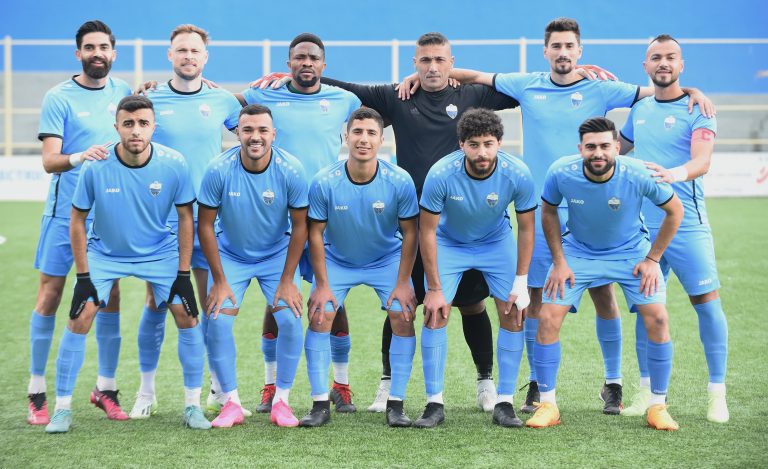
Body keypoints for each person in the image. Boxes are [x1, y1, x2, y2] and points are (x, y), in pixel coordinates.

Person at [409, 17, 713, 414]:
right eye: (557, 46)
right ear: (546, 51)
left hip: (590, 203)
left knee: (603, 292)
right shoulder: (526, 84)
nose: (563, 52)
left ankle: (613, 383)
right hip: (543, 208)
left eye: (570, 46)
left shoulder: (601, 87)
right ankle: (538, 384)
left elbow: (657, 89)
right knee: (535, 297)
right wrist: (421, 77)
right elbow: (475, 75)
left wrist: (692, 90)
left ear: (579, 51)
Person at [273, 32, 519, 412]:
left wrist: (464, 76)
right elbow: (351, 88)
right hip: (412, 222)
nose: (433, 67)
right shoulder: (399, 96)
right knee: (401, 303)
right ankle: (388, 385)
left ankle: (485, 381)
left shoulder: (470, 94)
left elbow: (515, 91)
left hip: (461, 226)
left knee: (471, 305)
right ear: (414, 63)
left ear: (452, 62)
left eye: (440, 60)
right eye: (425, 61)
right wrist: (289, 77)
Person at [45, 95, 207, 433]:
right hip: (105, 254)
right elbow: (77, 220)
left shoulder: (174, 163)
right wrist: (83, 276)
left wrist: (182, 273)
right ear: (116, 127)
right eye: (128, 123)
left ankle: (193, 405)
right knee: (80, 315)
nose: (136, 130)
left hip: (159, 252)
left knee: (187, 315)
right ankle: (61, 409)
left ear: (153, 127)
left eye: (143, 123)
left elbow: (185, 217)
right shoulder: (96, 165)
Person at [527, 116, 683, 431]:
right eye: (591, 147)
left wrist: (652, 259)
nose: (598, 153)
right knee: (547, 317)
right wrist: (559, 261)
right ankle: (547, 404)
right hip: (579, 252)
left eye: (604, 146)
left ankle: (658, 406)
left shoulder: (638, 173)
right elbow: (548, 211)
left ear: (616, 147)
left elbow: (674, 211)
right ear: (580, 149)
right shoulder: (561, 172)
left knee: (658, 318)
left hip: (631, 253)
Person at [239, 33, 362, 413]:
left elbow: (381, 111)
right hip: (279, 214)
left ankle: (341, 385)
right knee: (278, 296)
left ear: (323, 65)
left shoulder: (344, 100)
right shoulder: (264, 96)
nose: (306, 63)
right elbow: (226, 106)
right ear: (288, 63)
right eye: (299, 58)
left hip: (327, 211)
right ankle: (271, 385)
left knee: (332, 297)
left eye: (313, 58)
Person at [130, 24, 242, 420]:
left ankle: (218, 386)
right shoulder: (150, 99)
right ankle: (146, 391)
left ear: (205, 57)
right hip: (162, 222)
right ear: (170, 55)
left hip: (209, 220)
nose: (188, 56)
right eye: (181, 50)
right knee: (157, 302)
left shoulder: (222, 99)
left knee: (212, 303)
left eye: (195, 51)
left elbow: (253, 131)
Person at [619, 34, 728, 423]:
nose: (663, 63)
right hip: (642, 228)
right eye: (655, 57)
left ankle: (717, 395)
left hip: (686, 225)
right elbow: (617, 151)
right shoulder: (640, 109)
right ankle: (646, 393)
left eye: (670, 57)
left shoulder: (699, 108)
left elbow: (702, 161)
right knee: (646, 309)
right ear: (646, 66)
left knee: (707, 303)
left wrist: (673, 175)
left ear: (681, 65)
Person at [28, 20, 131, 425]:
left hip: (108, 214)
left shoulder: (123, 92)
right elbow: (49, 161)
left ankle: (106, 388)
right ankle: (37, 391)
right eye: (90, 47)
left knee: (111, 296)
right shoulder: (59, 97)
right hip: (64, 213)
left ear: (113, 53)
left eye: (103, 47)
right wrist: (80, 156)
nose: (97, 54)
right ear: (78, 54)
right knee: (50, 294)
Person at [416, 108, 535, 428]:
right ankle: (434, 403)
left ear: (500, 143)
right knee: (436, 312)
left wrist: (521, 280)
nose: (482, 152)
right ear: (461, 145)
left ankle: (505, 402)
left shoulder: (517, 173)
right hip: (449, 243)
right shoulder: (441, 173)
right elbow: (427, 231)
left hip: (495, 243)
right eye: (473, 144)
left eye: (488, 144)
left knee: (513, 311)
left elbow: (527, 228)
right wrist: (434, 288)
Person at [301, 108, 419, 428]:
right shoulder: (324, 181)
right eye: (357, 132)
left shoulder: (399, 180)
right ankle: (319, 403)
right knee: (320, 314)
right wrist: (322, 284)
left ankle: (396, 403)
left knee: (403, 315)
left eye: (370, 133)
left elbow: (411, 232)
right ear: (346, 137)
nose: (363, 139)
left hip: (385, 259)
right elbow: (315, 233)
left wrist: (403, 282)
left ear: (381, 140)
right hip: (338, 260)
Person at [197, 104, 308, 428]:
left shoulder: (291, 169)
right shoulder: (219, 169)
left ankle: (281, 401)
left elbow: (300, 226)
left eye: (262, 130)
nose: (255, 136)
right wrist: (219, 280)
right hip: (231, 256)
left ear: (273, 134)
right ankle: (230, 402)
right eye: (247, 130)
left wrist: (287, 280)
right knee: (217, 321)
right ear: (237, 133)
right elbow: (206, 225)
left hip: (276, 257)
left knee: (290, 321)